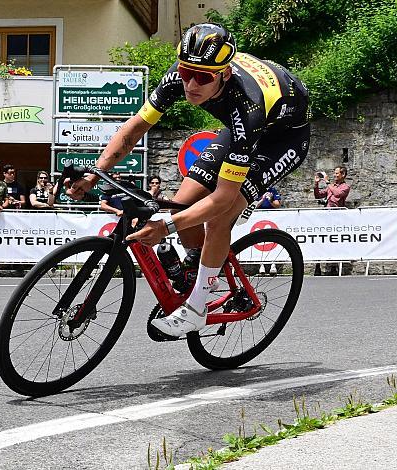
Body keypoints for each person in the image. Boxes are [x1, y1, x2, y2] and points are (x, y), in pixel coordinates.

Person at [67, 23, 310, 337]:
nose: (191, 84)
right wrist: (93, 172)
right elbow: (135, 128)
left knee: (221, 216)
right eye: (186, 72)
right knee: (182, 203)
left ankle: (197, 308)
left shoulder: (246, 107)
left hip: (281, 140)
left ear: (223, 74)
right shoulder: (184, 73)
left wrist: (165, 229)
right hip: (239, 132)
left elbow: (222, 197)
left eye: (203, 77)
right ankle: (200, 265)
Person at [314, 166, 350, 276]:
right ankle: (318, 265)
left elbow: (338, 194)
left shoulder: (346, 186)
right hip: (326, 215)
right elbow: (318, 195)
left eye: (337, 173)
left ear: (343, 175)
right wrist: (316, 184)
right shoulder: (331, 186)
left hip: (337, 216)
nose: (335, 175)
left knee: (335, 241)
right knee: (321, 239)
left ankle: (334, 266)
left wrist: (327, 182)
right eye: (334, 173)